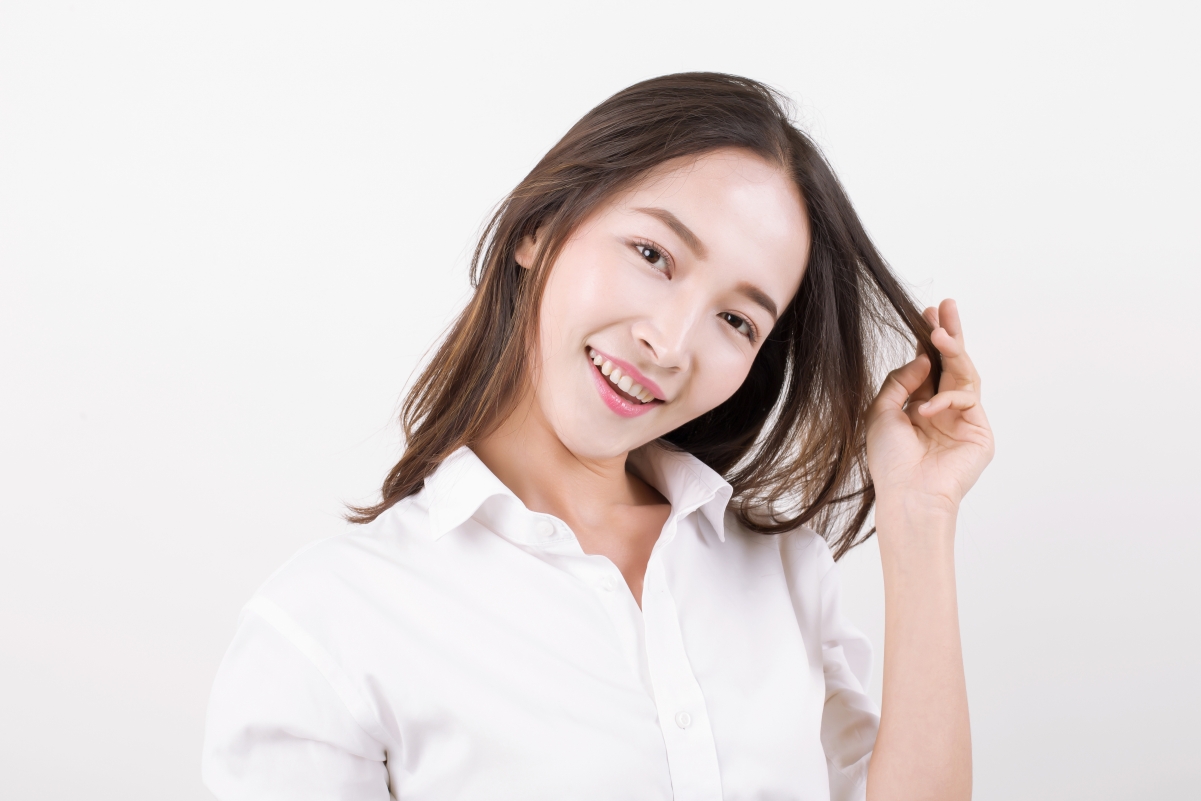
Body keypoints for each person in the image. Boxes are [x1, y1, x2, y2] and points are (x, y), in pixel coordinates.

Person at [202, 72, 993, 801]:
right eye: (653, 254)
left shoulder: (783, 575)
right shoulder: (330, 620)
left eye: (735, 319)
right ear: (541, 226)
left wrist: (919, 517)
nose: (671, 342)